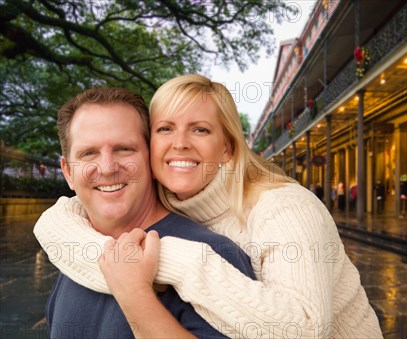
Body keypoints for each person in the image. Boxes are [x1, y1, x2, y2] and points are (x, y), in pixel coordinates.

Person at [34, 75, 383, 338]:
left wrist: (170, 265)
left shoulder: (284, 209)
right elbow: (61, 220)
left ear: (228, 147)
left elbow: (306, 328)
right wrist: (53, 227)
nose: (180, 144)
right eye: (166, 128)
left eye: (200, 130)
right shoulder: (173, 201)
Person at [43, 87, 255, 338]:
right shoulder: (76, 250)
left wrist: (136, 294)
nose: (108, 167)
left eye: (124, 149)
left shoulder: (214, 254)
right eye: (89, 153)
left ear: (151, 158)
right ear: (68, 172)